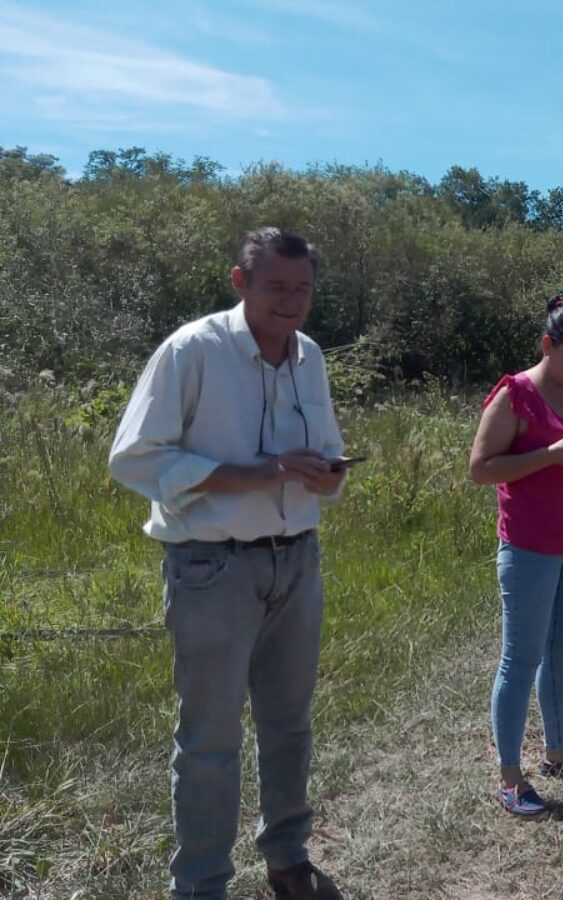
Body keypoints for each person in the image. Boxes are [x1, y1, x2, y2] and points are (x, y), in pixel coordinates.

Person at [108, 227, 348, 900]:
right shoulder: (193, 350)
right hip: (211, 568)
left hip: (296, 560)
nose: (291, 301)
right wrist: (251, 475)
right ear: (240, 283)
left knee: (290, 724)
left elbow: (326, 448)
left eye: (302, 289)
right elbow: (134, 459)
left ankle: (288, 859)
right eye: (276, 287)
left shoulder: (310, 357)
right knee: (210, 739)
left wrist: (329, 475)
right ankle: (202, 885)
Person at [469, 296, 563, 818]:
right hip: (529, 545)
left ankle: (558, 754)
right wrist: (550, 456)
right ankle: (510, 777)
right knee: (520, 658)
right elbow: (482, 468)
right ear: (547, 345)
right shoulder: (515, 396)